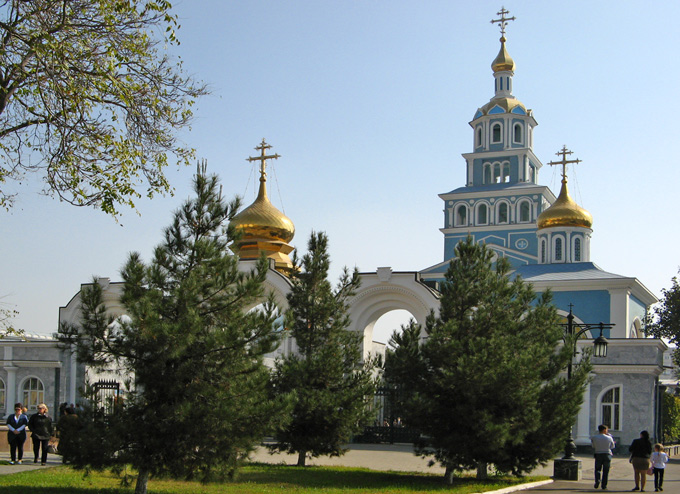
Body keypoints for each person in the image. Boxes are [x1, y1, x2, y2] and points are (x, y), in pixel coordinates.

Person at [592, 424, 615, 490]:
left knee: (597, 469)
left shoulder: (594, 437)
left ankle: (597, 480)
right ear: (604, 430)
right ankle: (604, 485)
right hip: (607, 454)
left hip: (598, 454)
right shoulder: (609, 437)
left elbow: (593, 446)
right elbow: (613, 446)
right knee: (606, 470)